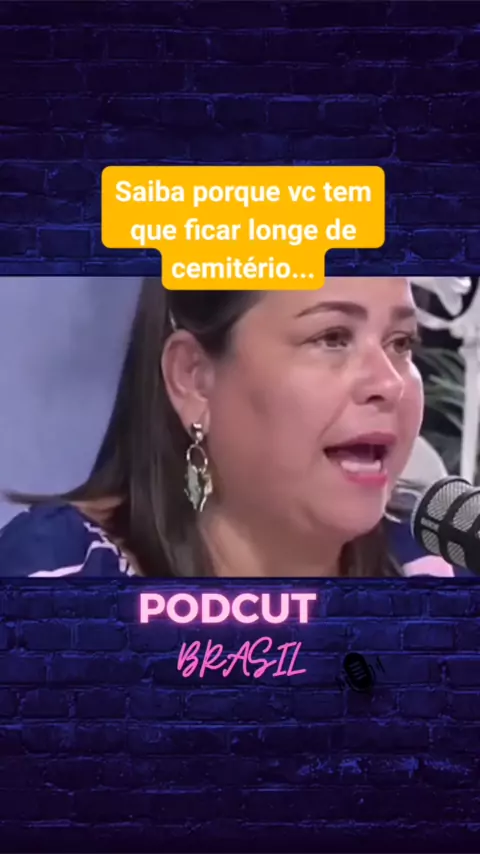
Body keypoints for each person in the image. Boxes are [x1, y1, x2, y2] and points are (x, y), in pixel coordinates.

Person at [0, 276, 454, 578]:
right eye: (332, 338)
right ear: (194, 378)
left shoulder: (438, 564)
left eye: (401, 343)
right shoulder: (55, 580)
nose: (389, 384)